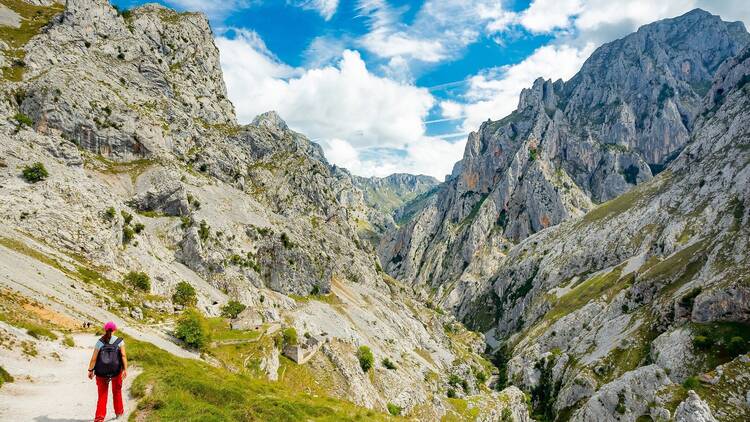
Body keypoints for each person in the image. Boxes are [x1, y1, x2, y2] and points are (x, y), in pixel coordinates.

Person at [87, 321, 128, 422]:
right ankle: (119, 413)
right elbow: (123, 356)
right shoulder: (119, 341)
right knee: (117, 391)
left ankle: (99, 418)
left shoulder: (100, 341)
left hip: (101, 373)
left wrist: (90, 370)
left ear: (105, 329)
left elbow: (94, 359)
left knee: (102, 395)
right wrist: (125, 369)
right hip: (116, 371)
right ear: (114, 330)